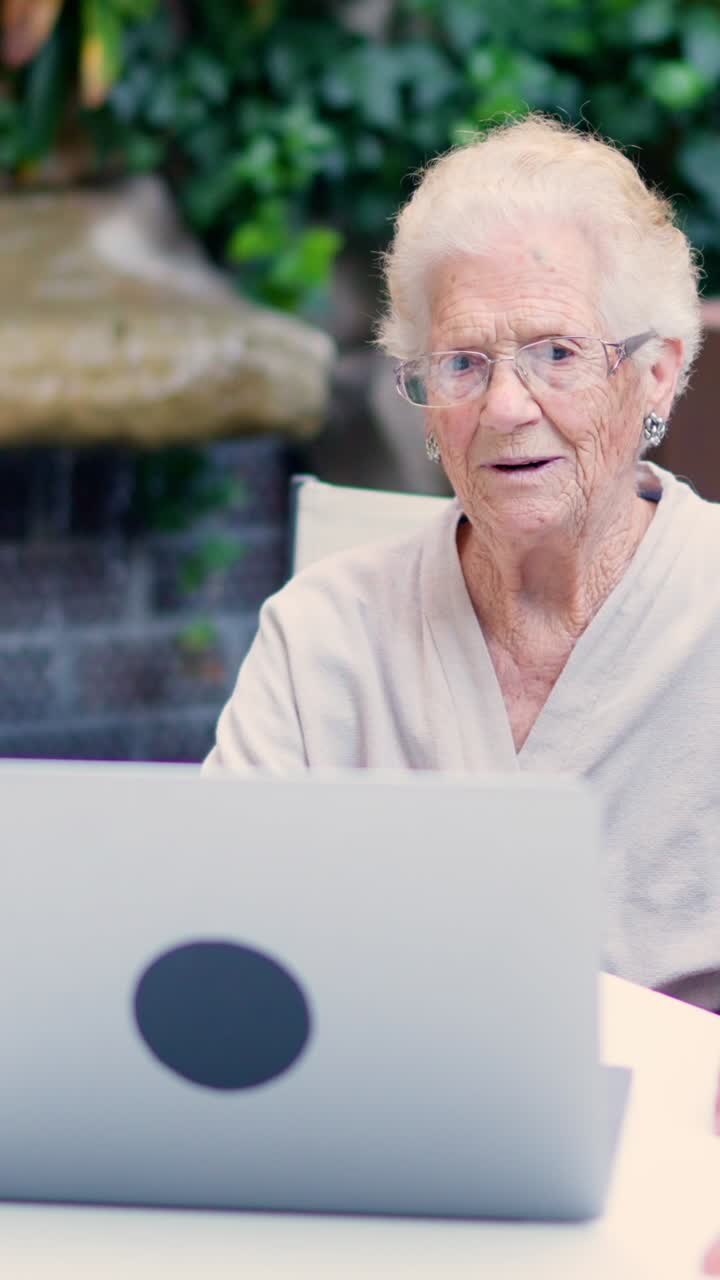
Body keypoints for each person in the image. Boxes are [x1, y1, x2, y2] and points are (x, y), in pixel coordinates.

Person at [203, 114, 720, 1015]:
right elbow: (213, 941)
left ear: (660, 373)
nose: (505, 407)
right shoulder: (322, 632)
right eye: (462, 364)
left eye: (557, 353)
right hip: (379, 1124)